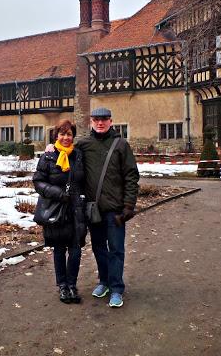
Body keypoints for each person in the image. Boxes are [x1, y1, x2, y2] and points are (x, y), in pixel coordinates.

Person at [78, 107, 139, 308]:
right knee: (98, 248)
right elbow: (65, 151)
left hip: (115, 209)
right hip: (94, 209)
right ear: (91, 122)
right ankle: (104, 281)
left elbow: (131, 175)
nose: (100, 123)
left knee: (116, 250)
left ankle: (116, 288)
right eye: (96, 119)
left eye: (104, 119)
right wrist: (52, 147)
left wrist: (129, 205)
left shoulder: (121, 145)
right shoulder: (84, 145)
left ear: (111, 121)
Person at [33, 119, 87, 304]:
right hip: (57, 209)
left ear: (73, 136)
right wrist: (57, 193)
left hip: (76, 210)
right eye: (62, 134)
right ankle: (63, 286)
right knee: (58, 250)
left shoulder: (78, 155)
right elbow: (38, 181)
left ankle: (72, 285)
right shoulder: (48, 156)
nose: (66, 137)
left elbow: (84, 179)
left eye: (69, 134)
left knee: (76, 250)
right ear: (56, 136)